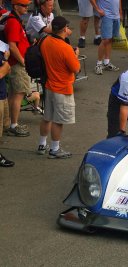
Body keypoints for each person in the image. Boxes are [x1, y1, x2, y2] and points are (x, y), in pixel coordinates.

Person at [36, 16, 80, 158]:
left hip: (49, 85)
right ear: (63, 30)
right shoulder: (66, 48)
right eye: (67, 27)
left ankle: (42, 144)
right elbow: (76, 68)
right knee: (58, 121)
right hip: (62, 88)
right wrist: (75, 55)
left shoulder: (45, 41)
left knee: (47, 117)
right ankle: (55, 149)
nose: (69, 29)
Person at [4, 0, 32, 137]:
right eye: (24, 5)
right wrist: (23, 61)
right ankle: (13, 125)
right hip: (17, 63)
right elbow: (12, 45)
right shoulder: (14, 22)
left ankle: (9, 122)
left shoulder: (14, 19)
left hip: (15, 62)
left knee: (14, 93)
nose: (27, 8)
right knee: (18, 94)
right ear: (16, 6)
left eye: (27, 5)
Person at [90, 0, 121, 75]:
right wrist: (98, 10)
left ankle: (106, 62)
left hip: (116, 16)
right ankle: (99, 64)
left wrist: (120, 12)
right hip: (107, 16)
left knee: (110, 39)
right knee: (105, 40)